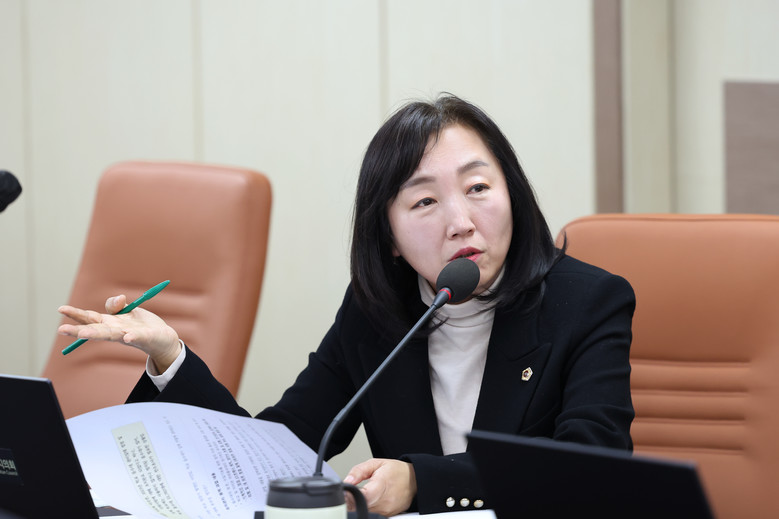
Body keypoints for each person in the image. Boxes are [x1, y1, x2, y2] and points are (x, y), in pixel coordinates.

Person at [58, 94, 635, 516]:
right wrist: (170, 356)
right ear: (390, 237)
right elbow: (279, 447)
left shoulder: (586, 301)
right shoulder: (377, 311)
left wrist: (421, 481)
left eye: (478, 188)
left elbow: (590, 463)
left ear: (512, 192)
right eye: (425, 201)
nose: (462, 221)